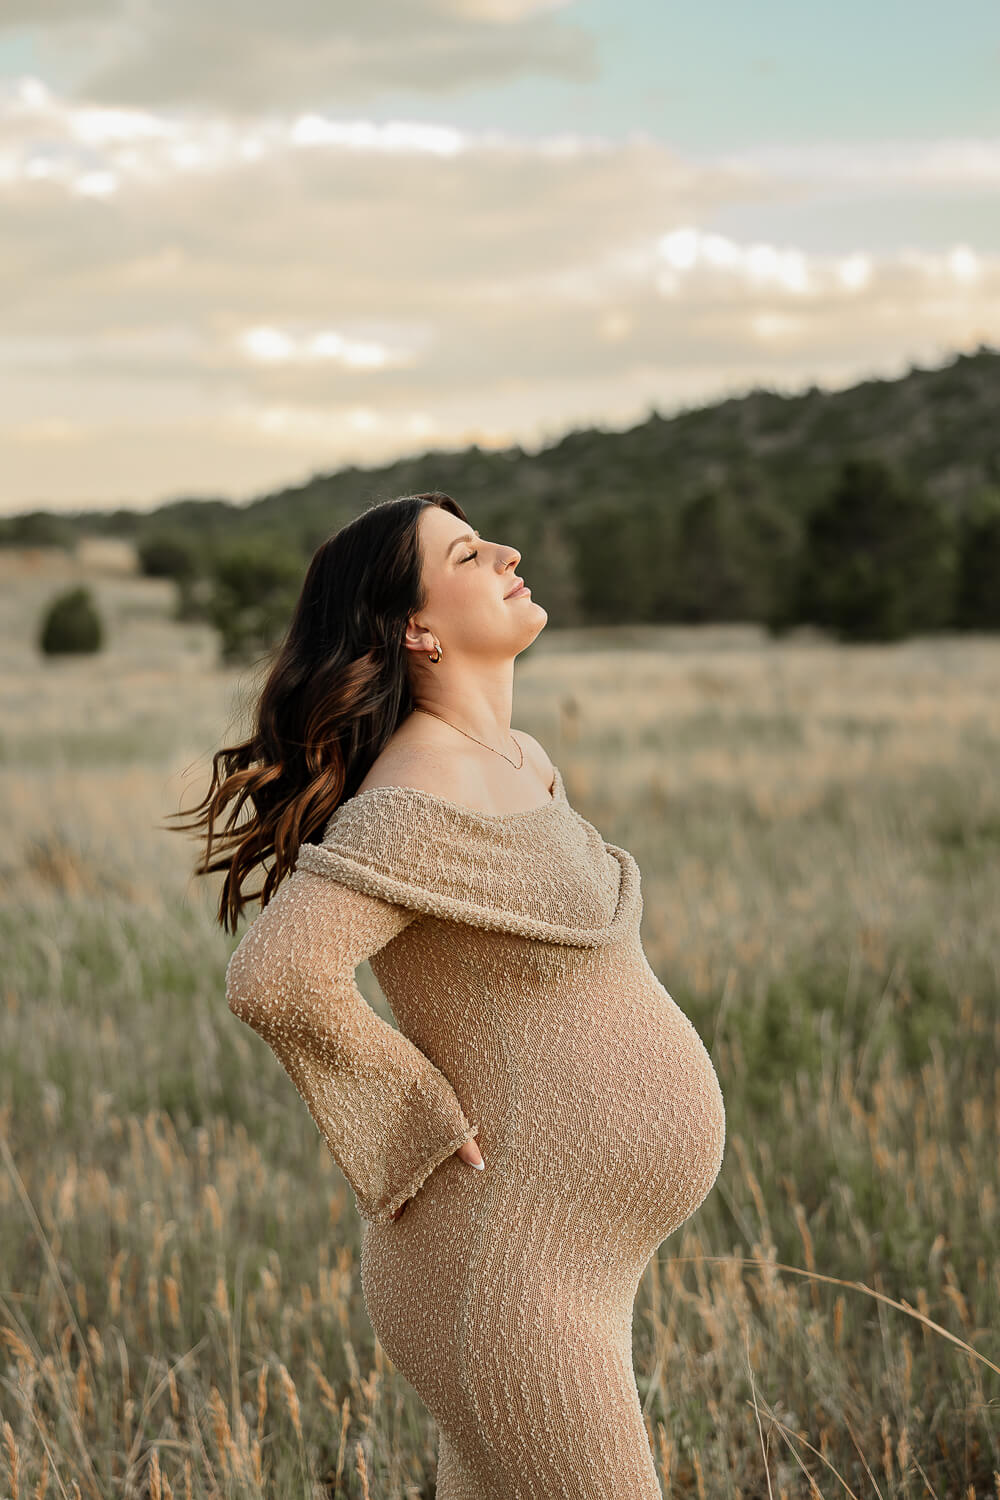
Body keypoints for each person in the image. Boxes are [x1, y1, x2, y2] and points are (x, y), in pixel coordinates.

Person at [172, 491, 726, 1499]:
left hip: (564, 1257)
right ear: (415, 628)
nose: (509, 552)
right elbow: (274, 976)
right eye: (469, 553)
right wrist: (408, 1118)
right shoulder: (416, 789)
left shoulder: (519, 760)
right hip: (505, 1264)